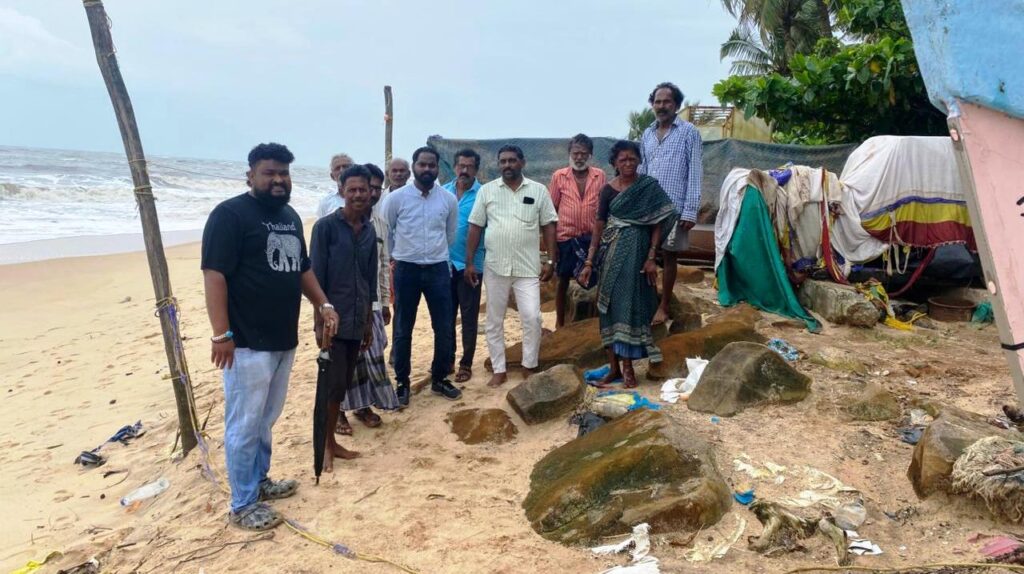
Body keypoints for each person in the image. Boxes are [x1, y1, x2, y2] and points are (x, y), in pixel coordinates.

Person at [202, 142, 340, 531]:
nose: (279, 179)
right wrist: (221, 334)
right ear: (250, 175)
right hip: (246, 342)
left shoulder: (290, 217)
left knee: (265, 418)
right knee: (244, 423)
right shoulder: (229, 215)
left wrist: (323, 304)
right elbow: (214, 274)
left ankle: (259, 481)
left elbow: (302, 268)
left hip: (283, 338)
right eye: (270, 173)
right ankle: (242, 503)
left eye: (284, 173)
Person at [578, 140, 678, 388]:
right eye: (622, 159)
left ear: (639, 161)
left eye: (632, 159)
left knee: (630, 305)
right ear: (614, 163)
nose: (628, 163)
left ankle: (628, 368)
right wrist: (589, 261)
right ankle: (614, 368)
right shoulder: (607, 190)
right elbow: (599, 225)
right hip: (611, 253)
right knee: (608, 307)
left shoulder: (648, 187)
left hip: (638, 253)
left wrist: (652, 256)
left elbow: (658, 222)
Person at [465, 145, 558, 388]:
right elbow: (475, 226)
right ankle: (499, 369)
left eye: (512, 160)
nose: (507, 165)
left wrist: (551, 260)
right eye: (503, 161)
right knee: (494, 320)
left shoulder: (538, 190)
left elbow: (549, 226)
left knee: (532, 317)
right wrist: (469, 263)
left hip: (527, 268)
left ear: (522, 163)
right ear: (499, 164)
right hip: (495, 267)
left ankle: (529, 365)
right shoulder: (487, 191)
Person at [311, 164, 379, 472]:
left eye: (363, 189)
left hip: (357, 319)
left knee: (342, 385)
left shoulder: (369, 230)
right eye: (352, 189)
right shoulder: (325, 228)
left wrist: (368, 322)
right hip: (332, 320)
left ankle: (332, 443)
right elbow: (314, 277)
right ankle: (326, 445)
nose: (358, 195)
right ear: (342, 191)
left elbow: (370, 278)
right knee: (331, 384)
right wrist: (319, 322)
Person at [381, 146, 460, 405]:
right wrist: (396, 257)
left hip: (438, 269)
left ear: (437, 168)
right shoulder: (396, 199)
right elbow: (387, 232)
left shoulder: (448, 199)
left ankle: (440, 378)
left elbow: (450, 234)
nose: (427, 169)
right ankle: (402, 382)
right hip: (406, 269)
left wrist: (434, 254)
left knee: (444, 326)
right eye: (422, 164)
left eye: (431, 165)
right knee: (403, 327)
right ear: (414, 167)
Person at [335, 163, 400, 434]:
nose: (370, 193)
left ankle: (362, 406)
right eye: (366, 187)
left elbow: (384, 267)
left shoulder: (380, 225)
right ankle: (338, 411)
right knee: (342, 359)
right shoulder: (334, 223)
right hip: (340, 305)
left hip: (371, 304)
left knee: (372, 354)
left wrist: (385, 303)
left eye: (375, 189)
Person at [638, 82, 703, 325]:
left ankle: (664, 306)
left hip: (675, 208)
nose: (661, 106)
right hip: (648, 207)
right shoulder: (647, 134)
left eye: (666, 101)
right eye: (657, 101)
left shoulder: (689, 132)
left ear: (676, 105)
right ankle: (646, 302)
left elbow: (695, 171)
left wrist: (690, 210)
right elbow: (642, 169)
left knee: (669, 256)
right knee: (644, 253)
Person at [548, 133, 606, 328]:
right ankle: (559, 322)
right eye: (575, 153)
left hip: (592, 238)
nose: (579, 157)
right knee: (562, 279)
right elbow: (551, 210)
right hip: (565, 238)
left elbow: (603, 207)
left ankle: (599, 321)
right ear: (569, 154)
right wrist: (551, 245)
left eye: (583, 153)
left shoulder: (600, 176)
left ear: (590, 155)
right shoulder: (559, 176)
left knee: (599, 277)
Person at [442, 149, 485, 383]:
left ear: (476, 169)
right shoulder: (443, 192)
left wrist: (472, 264)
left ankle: (466, 364)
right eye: (461, 166)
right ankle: (447, 360)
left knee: (469, 317)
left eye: (469, 166)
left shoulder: (483, 194)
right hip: (443, 266)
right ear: (455, 167)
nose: (464, 170)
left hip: (471, 267)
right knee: (446, 316)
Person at [317, 153, 354, 218]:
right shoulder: (325, 203)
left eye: (345, 167)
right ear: (332, 176)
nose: (342, 170)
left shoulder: (366, 198)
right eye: (337, 168)